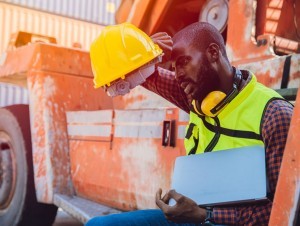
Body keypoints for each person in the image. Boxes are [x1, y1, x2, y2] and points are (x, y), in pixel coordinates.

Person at [87, 22, 294, 225]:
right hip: (192, 217)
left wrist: (206, 216)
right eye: (174, 68)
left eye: (184, 62)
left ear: (213, 53)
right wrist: (143, 49)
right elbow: (143, 75)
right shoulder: (196, 97)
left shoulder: (274, 115)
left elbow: (283, 209)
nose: (178, 76)